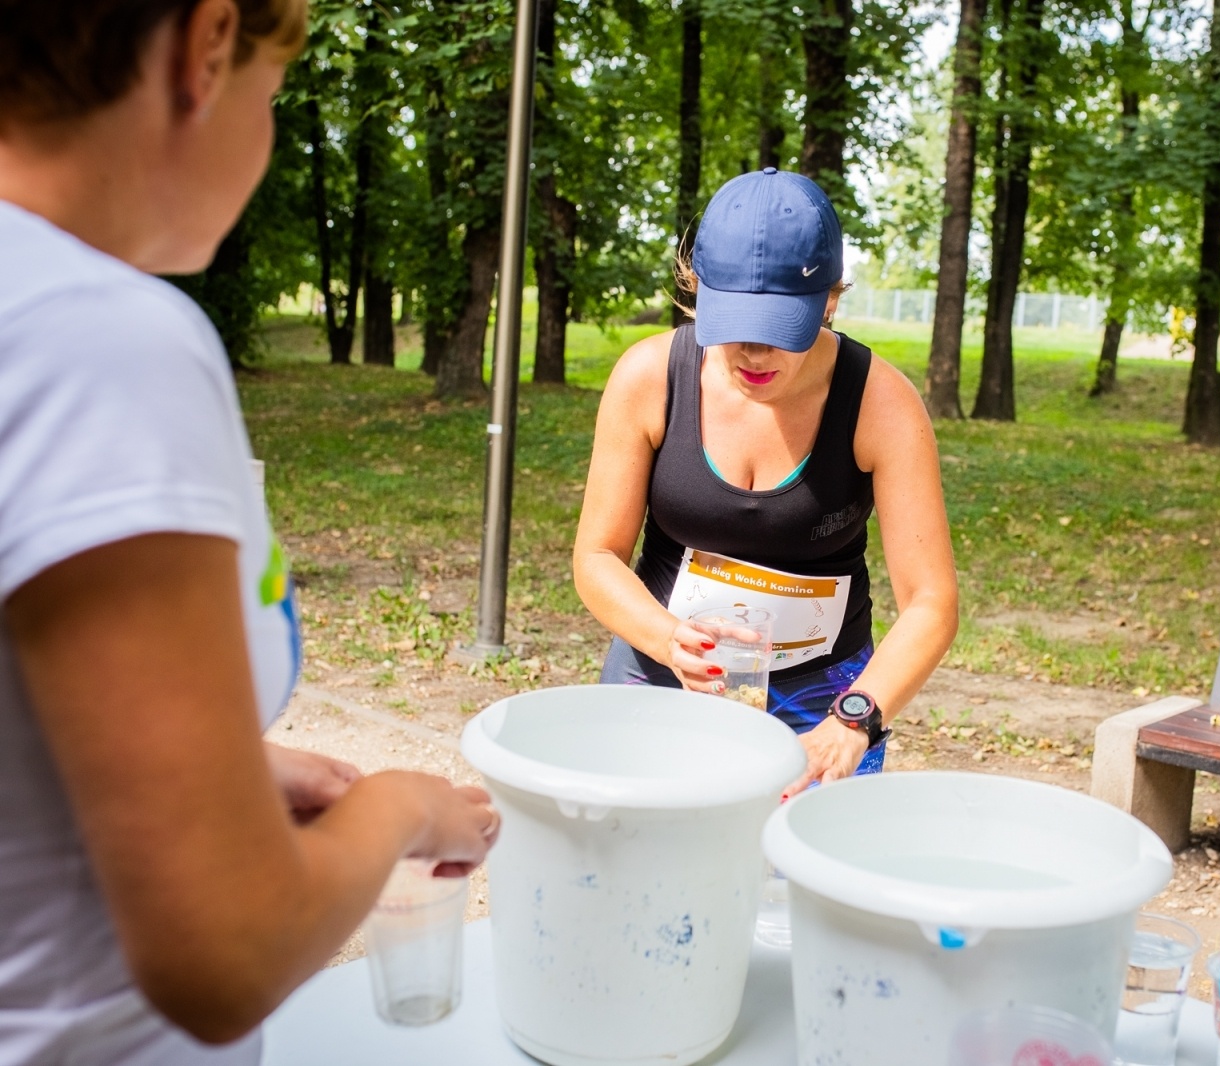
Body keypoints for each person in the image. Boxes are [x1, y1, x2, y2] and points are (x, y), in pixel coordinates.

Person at [0, 2, 498, 1062]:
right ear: (207, 46)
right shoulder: (99, 340)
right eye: (271, 96)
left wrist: (216, 776)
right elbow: (224, 954)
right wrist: (404, 810)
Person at [572, 169, 959, 795]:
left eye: (781, 329)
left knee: (798, 882)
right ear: (695, 291)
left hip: (824, 695)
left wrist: (855, 718)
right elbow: (596, 556)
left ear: (829, 300)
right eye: (733, 324)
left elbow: (931, 602)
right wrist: (671, 642)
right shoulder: (649, 377)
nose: (754, 353)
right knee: (642, 867)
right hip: (662, 666)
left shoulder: (881, 404)